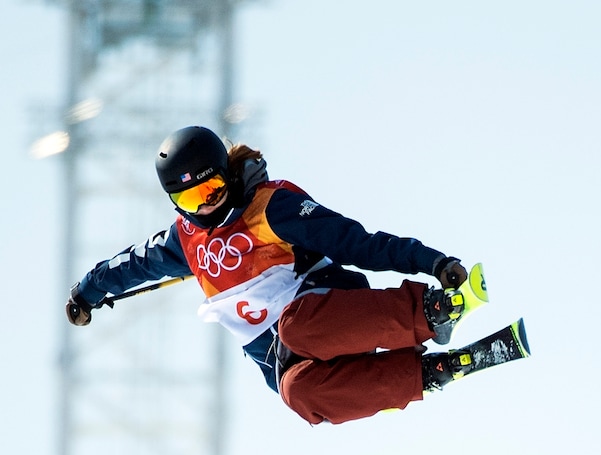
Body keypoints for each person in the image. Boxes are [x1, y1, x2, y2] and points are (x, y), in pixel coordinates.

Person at [66, 125, 478, 425]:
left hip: (330, 315)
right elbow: (133, 264)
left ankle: (426, 313)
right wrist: (87, 292)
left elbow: (357, 242)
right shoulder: (186, 241)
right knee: (296, 393)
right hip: (290, 357)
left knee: (297, 327)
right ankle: (421, 375)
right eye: (190, 199)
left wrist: (434, 262)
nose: (206, 207)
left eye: (210, 191)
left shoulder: (270, 208)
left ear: (225, 173)